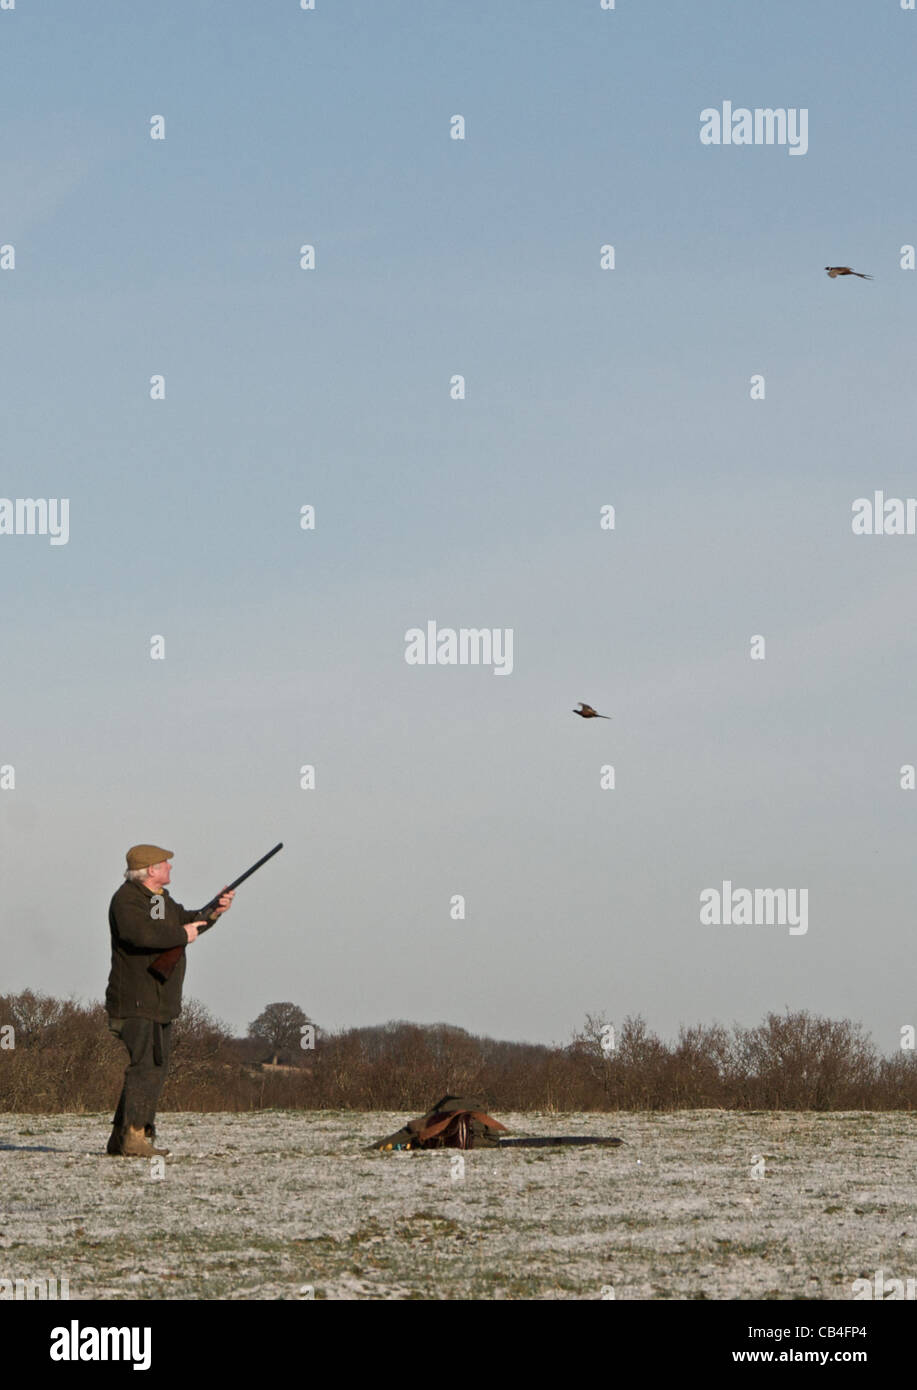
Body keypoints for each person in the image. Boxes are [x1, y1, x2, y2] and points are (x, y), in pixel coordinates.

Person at [104, 844, 233, 1157]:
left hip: (160, 1002)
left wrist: (214, 911)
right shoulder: (127, 900)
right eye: (165, 864)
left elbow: (187, 921)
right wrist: (182, 934)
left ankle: (124, 1138)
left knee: (155, 1067)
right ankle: (133, 1137)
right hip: (135, 999)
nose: (170, 868)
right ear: (150, 870)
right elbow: (140, 935)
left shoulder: (160, 901)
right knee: (144, 1066)